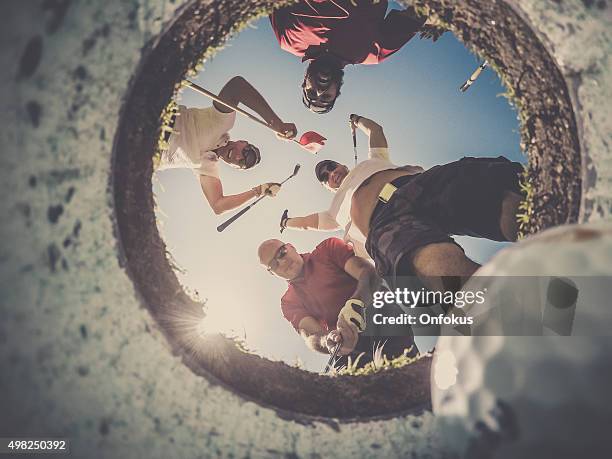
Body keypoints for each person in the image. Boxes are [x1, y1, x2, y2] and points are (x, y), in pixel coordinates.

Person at [280, 114, 524, 293]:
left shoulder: (372, 160)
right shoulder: (334, 208)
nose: (331, 173)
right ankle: (505, 312)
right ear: (326, 186)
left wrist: (358, 121)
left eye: (331, 166)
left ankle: (548, 225)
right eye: (325, 176)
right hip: (385, 221)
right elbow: (310, 223)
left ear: (341, 165)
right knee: (431, 261)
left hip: (420, 185)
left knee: (497, 194)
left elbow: (376, 130)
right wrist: (287, 222)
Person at [257, 237, 418, 366]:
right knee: (348, 382)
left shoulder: (327, 249)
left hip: (378, 315)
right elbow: (312, 335)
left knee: (397, 362)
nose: (282, 262)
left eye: (282, 252)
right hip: (345, 343)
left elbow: (368, 273)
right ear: (272, 273)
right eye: (273, 264)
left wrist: (355, 304)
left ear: (291, 247)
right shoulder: (289, 302)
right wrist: (327, 341)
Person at [269, 1, 444, 114]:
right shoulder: (373, 53)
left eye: (311, 92)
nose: (320, 91)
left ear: (303, 82)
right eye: (326, 97)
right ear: (338, 90)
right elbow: (419, 14)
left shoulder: (287, 40)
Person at [158, 76, 297, 214]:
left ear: (235, 167)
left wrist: (259, 190)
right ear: (242, 142)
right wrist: (276, 123)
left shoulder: (208, 168)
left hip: (148, 155)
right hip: (159, 119)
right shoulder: (223, 123)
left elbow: (218, 206)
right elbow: (237, 87)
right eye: (246, 153)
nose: (239, 157)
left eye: (242, 163)